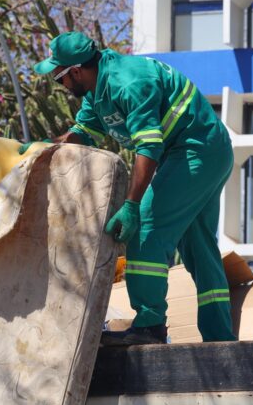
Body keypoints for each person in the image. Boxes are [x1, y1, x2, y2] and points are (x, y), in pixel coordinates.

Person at [25, 31, 236, 345]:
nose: (62, 87)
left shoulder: (128, 83)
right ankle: (220, 338)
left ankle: (150, 326)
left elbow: (148, 147)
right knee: (198, 247)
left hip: (197, 150)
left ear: (77, 71)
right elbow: (81, 134)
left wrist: (133, 205)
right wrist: (39, 150)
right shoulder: (98, 91)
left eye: (60, 79)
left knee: (147, 227)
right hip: (202, 151)